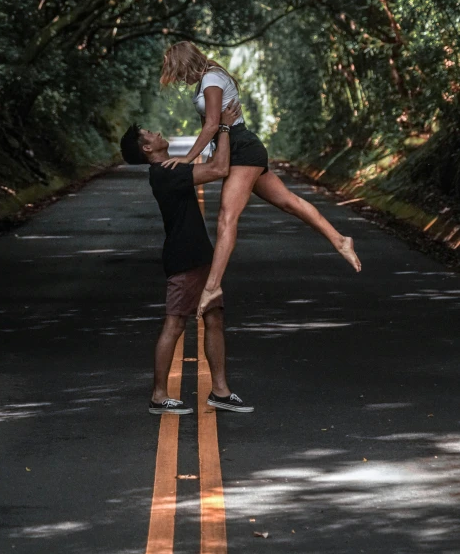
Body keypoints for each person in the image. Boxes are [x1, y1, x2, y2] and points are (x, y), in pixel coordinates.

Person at [160, 41, 361, 317]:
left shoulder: (211, 79)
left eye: (179, 72)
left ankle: (212, 287)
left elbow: (212, 123)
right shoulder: (207, 80)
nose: (180, 79)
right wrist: (212, 147)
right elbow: (218, 126)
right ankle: (340, 240)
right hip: (236, 146)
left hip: (242, 148)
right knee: (288, 202)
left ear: (187, 63)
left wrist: (188, 157)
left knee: (226, 218)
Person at [120, 99, 254, 415]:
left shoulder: (170, 169)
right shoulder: (165, 173)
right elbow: (220, 168)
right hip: (185, 258)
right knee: (175, 323)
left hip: (198, 255)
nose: (155, 132)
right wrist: (223, 126)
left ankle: (220, 391)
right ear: (147, 150)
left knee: (214, 318)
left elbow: (211, 163)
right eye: (148, 134)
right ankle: (158, 395)